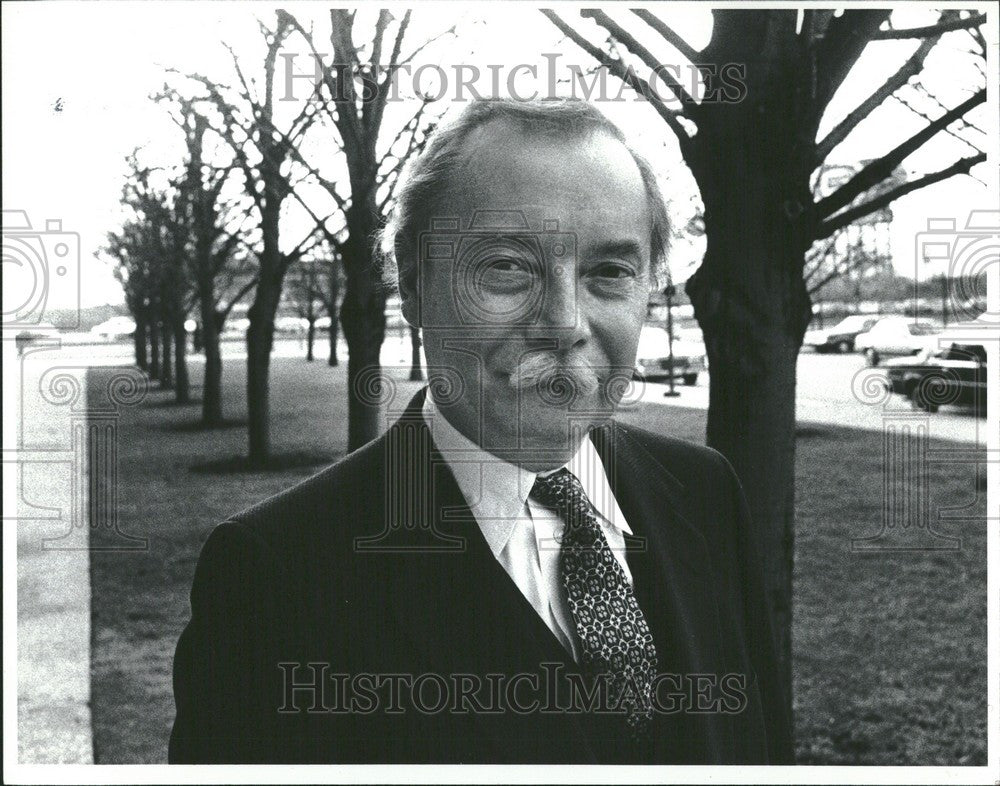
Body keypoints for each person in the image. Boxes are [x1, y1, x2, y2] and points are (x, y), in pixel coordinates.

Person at [169, 98, 793, 765]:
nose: (563, 322)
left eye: (608, 272)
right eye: (507, 267)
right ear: (413, 286)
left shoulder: (704, 492)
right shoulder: (278, 576)